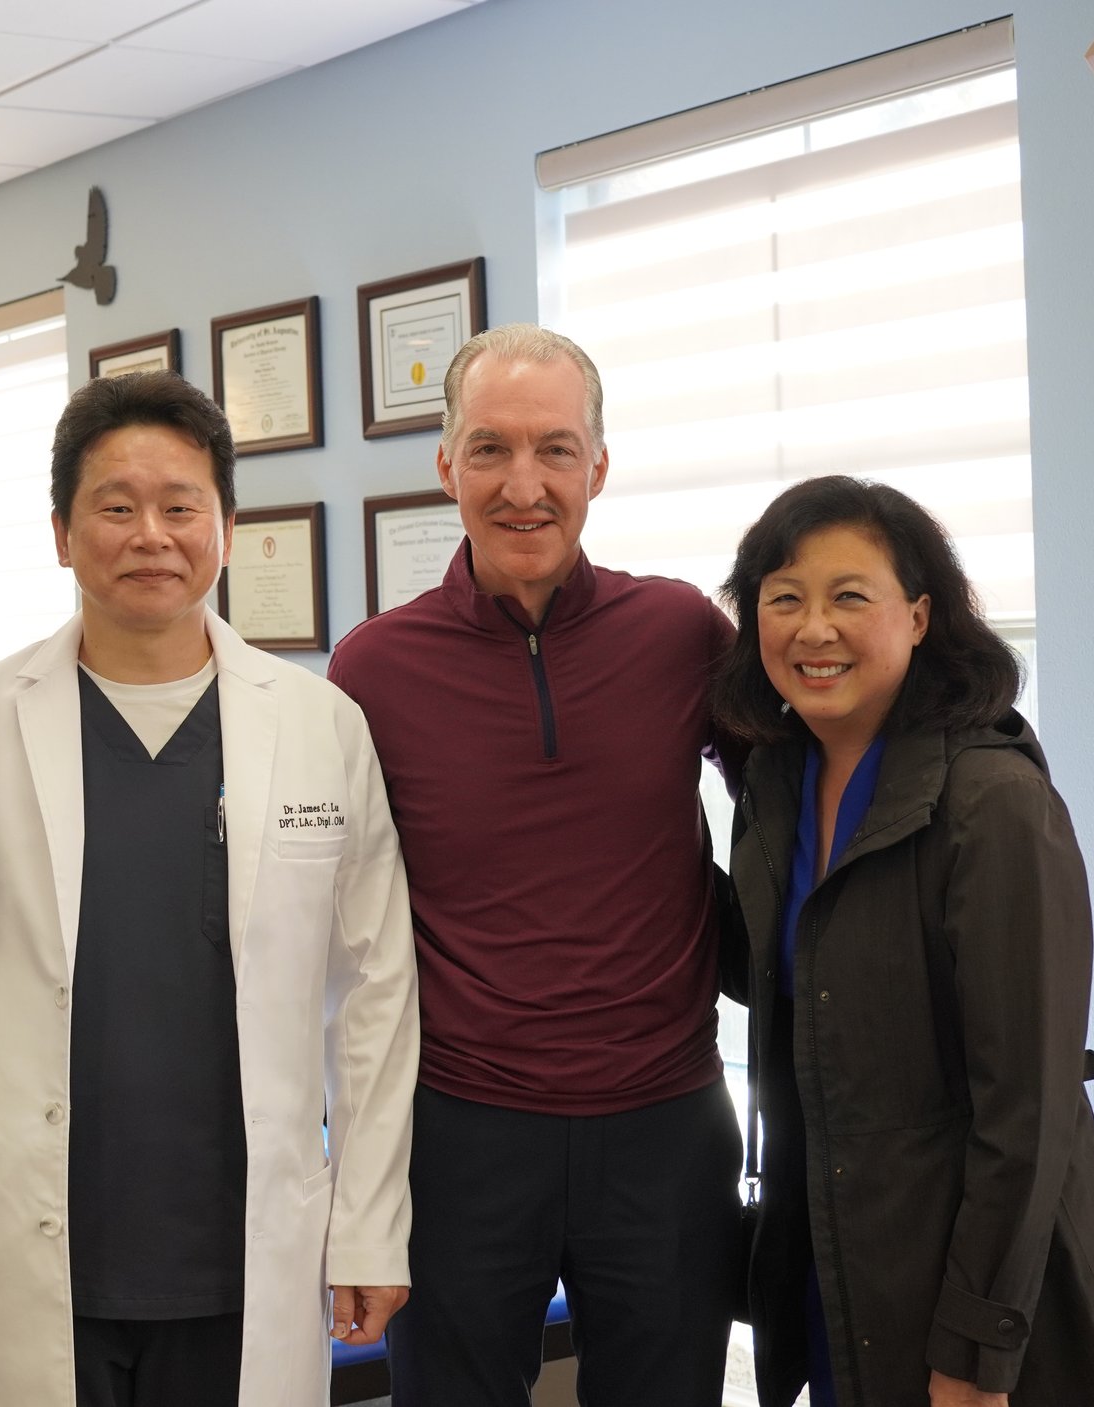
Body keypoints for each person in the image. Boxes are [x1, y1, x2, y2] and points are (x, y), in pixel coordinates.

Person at [0, 371, 419, 1407]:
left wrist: (370, 1225)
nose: (151, 535)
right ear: (62, 533)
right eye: (115, 506)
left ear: (226, 527)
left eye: (181, 506)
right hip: (35, 1243)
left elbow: (375, 991)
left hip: (243, 1252)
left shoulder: (318, 725)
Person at [327, 324, 742, 1407]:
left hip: (665, 1124)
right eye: (490, 449)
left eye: (555, 449)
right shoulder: (373, 668)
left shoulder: (681, 632)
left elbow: (811, 800)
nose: (524, 486)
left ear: (597, 466)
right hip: (460, 1132)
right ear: (446, 466)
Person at [713, 476, 1094, 1407]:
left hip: (974, 1296)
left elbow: (1028, 1110)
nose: (813, 628)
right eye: (783, 599)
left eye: (848, 596)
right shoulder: (776, 786)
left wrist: (975, 1350)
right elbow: (787, 975)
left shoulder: (995, 802)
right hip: (841, 1265)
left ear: (918, 614)